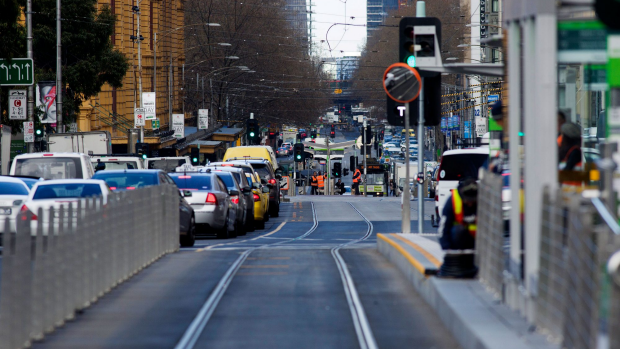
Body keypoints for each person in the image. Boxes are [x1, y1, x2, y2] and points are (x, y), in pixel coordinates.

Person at [438, 178, 479, 278]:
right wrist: (447, 249)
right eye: (468, 200)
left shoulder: (482, 201)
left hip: (477, 240)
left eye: (472, 200)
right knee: (457, 231)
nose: (470, 203)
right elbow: (443, 228)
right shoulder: (452, 201)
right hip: (459, 240)